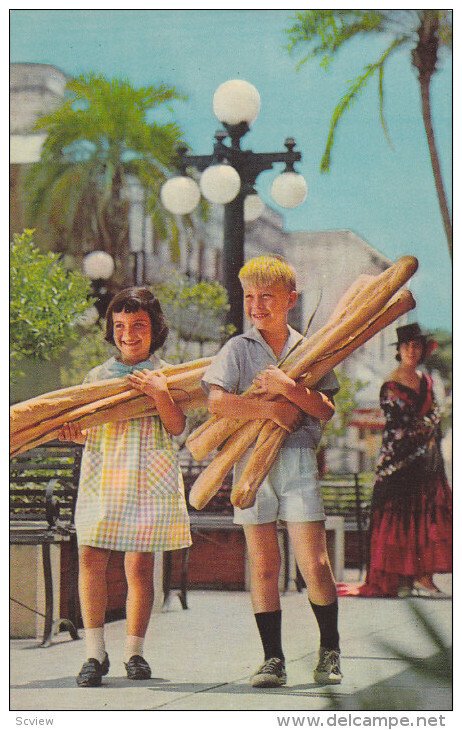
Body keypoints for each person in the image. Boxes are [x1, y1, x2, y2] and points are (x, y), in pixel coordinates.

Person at [201, 255, 342, 688]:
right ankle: (272, 660)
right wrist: (269, 409)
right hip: (250, 467)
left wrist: (290, 390)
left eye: (266, 297)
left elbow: (326, 408)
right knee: (263, 566)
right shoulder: (238, 349)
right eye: (249, 297)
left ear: (289, 300)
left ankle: (330, 652)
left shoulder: (310, 349)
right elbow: (217, 402)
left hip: (298, 461)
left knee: (314, 564)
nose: (256, 305)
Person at [59, 287, 191, 687]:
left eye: (138, 325)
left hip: (148, 477)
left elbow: (177, 428)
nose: (128, 333)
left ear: (155, 329)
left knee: (139, 565)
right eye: (120, 326)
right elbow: (92, 434)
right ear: (110, 329)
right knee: (90, 558)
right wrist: (73, 434)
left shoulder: (167, 376)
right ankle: (94, 653)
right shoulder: (96, 378)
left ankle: (134, 651)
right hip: (105, 475)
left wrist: (161, 394)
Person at [341, 322, 452, 598]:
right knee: (402, 517)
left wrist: (431, 424)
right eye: (407, 346)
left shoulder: (427, 381)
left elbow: (434, 417)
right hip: (399, 462)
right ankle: (403, 577)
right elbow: (399, 425)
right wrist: (427, 423)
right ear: (399, 351)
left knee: (427, 514)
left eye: (417, 346)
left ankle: (424, 575)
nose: (412, 351)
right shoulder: (390, 385)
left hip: (428, 460)